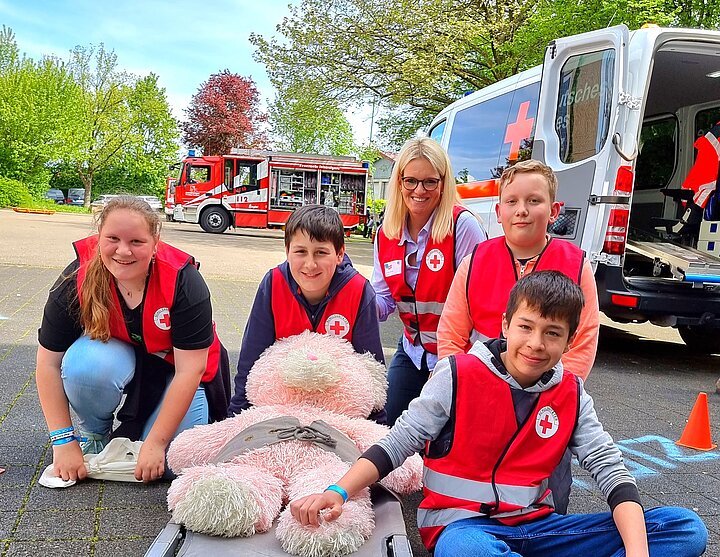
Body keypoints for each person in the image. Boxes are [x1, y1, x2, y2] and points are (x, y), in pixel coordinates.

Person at [290, 271, 708, 557]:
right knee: (465, 550)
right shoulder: (457, 374)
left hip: (540, 530)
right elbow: (399, 441)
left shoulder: (571, 393)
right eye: (526, 327)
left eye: (552, 333)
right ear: (506, 324)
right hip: (463, 528)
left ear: (570, 340)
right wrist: (338, 492)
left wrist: (637, 553)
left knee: (686, 528)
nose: (535, 344)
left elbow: (611, 471)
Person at [36, 196, 231, 483]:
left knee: (173, 462)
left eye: (136, 242)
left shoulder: (183, 280)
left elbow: (191, 370)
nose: (123, 251)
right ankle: (94, 433)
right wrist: (63, 441)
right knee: (84, 364)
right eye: (112, 238)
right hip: (122, 360)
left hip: (179, 370)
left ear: (155, 242)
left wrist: (155, 443)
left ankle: (143, 433)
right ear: (98, 236)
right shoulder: (76, 276)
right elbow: (47, 364)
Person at [437, 159, 599, 381]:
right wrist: (458, 383)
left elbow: (584, 340)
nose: (522, 210)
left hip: (546, 392)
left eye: (534, 201)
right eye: (511, 201)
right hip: (479, 384)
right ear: (499, 210)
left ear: (554, 211)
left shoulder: (577, 265)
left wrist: (558, 391)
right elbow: (451, 335)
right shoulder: (473, 262)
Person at [228, 204, 386, 422]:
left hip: (336, 413)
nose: (310, 264)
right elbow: (250, 362)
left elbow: (372, 371)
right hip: (279, 408)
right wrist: (236, 421)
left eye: (321, 252)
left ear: (340, 254)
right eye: (300, 252)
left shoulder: (359, 291)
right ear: (287, 252)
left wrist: (378, 438)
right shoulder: (273, 284)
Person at [373, 137, 487, 426]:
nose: (419, 191)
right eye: (410, 181)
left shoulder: (463, 227)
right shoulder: (386, 232)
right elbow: (382, 301)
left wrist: (463, 366)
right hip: (413, 350)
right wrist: (345, 293)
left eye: (429, 182)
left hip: (458, 359)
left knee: (445, 441)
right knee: (386, 430)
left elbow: (481, 306)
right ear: (398, 182)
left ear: (443, 183)